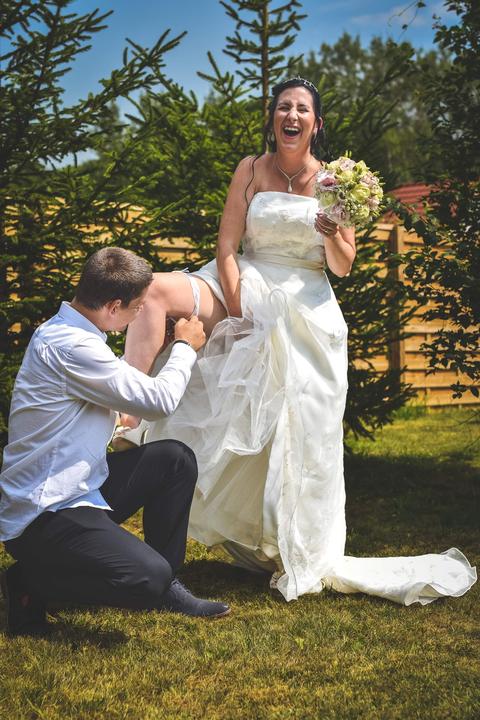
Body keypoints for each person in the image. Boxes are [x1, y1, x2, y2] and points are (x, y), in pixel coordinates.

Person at [115, 77, 476, 605]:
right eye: (283, 106)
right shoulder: (250, 169)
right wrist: (239, 309)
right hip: (243, 281)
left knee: (295, 431)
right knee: (153, 291)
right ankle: (127, 415)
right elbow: (227, 245)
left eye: (302, 109)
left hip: (305, 301)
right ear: (273, 117)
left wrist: (331, 234)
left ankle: (288, 538)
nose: (292, 115)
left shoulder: (337, 182)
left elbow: (343, 265)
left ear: (316, 123)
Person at [0, 247, 230, 636]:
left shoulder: (71, 332)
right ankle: (28, 582)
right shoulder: (71, 345)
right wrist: (184, 348)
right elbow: (158, 402)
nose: (140, 315)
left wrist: (162, 350)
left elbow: (114, 388)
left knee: (174, 459)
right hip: (46, 513)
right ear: (113, 306)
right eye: (137, 308)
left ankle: (167, 584)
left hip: (80, 487)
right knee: (144, 578)